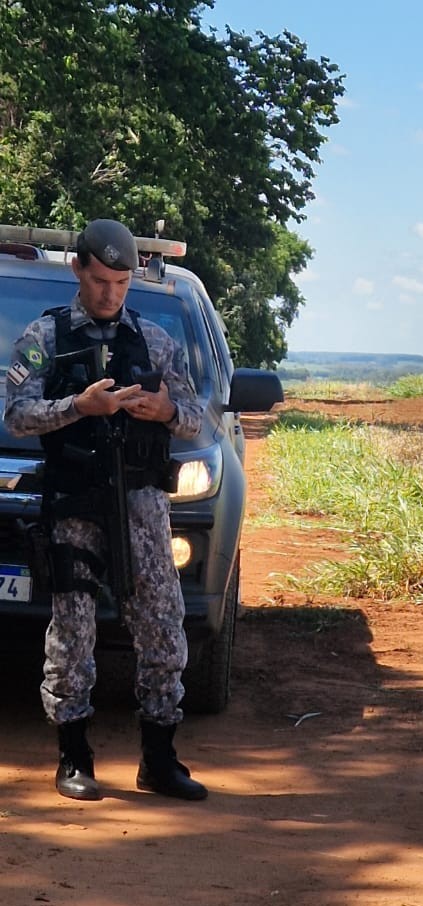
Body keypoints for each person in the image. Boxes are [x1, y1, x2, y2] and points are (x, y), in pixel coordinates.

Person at [4, 219, 208, 800]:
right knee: (71, 635)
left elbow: (194, 416)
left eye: (120, 283)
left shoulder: (156, 341)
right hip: (75, 504)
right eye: (99, 281)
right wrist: (79, 406)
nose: (109, 294)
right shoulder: (45, 336)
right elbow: (17, 413)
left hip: (142, 508)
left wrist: (166, 411)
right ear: (79, 271)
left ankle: (160, 759)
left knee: (164, 631)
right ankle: (74, 759)